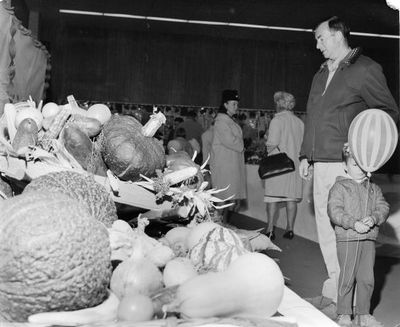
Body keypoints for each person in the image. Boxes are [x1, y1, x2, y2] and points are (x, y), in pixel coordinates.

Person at [299, 16, 399, 317]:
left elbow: (387, 113)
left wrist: (363, 151)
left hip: (346, 166)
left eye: (320, 38)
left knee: (348, 234)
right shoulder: (320, 74)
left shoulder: (365, 68)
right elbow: (313, 117)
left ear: (338, 35)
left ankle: (354, 301)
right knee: (326, 232)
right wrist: (306, 154)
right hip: (320, 161)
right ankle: (335, 290)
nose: (317, 45)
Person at [328, 145, 389, 327]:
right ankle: (344, 313)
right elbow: (334, 211)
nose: (360, 169)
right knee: (347, 277)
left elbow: (383, 207)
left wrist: (374, 217)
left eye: (362, 165)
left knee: (367, 278)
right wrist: (353, 223)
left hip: (368, 239)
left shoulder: (374, 188)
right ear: (345, 166)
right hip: (347, 239)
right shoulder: (339, 187)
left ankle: (364, 313)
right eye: (355, 165)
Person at [263, 91, 304, 240]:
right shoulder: (299, 122)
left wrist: (266, 139)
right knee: (291, 199)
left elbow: (272, 143)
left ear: (280, 104)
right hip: (294, 165)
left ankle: (270, 230)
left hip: (278, 165)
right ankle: (290, 229)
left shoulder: (277, 120)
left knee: (272, 198)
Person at [211, 89, 247, 223]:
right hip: (224, 164)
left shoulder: (227, 120)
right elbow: (229, 140)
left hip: (230, 163)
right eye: (234, 104)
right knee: (223, 196)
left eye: (237, 104)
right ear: (225, 105)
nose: (236, 107)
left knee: (228, 196)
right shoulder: (221, 121)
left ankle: (223, 224)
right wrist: (242, 144)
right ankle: (217, 224)